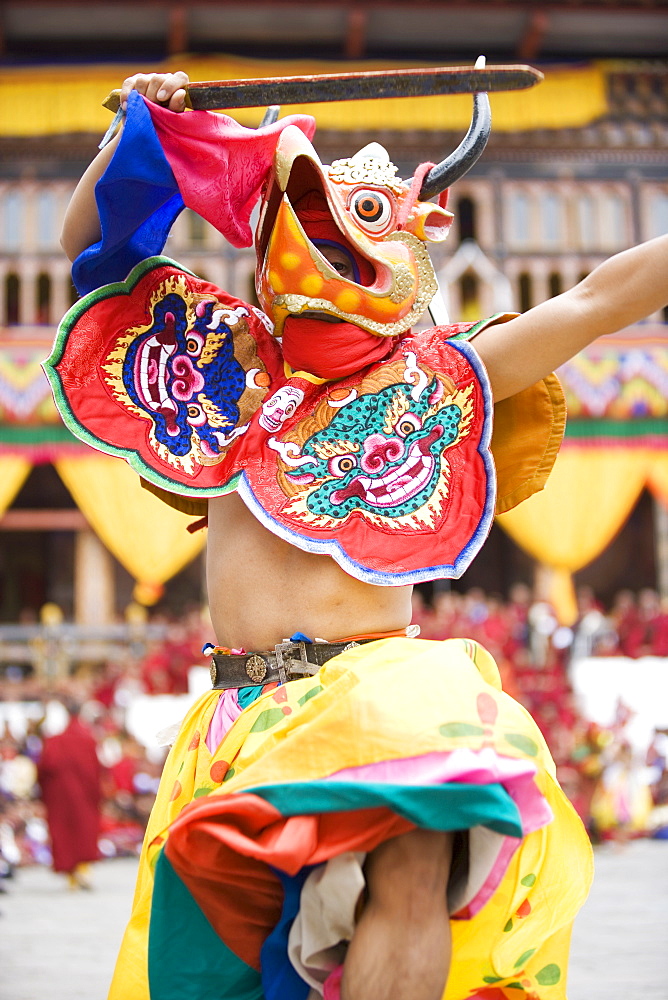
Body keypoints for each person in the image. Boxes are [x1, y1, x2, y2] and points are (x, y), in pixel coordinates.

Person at [50, 68, 668, 1000]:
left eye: (361, 223)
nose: (328, 241)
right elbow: (90, 247)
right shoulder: (217, 360)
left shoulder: (440, 377)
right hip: (237, 716)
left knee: (416, 859)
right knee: (233, 977)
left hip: (379, 692)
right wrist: (139, 131)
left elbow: (594, 298)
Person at [37, 702, 101, 890]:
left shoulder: (54, 741)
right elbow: (96, 770)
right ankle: (83, 871)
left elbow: (45, 768)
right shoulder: (88, 739)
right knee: (84, 830)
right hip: (83, 795)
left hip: (59, 797)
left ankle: (72, 875)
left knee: (64, 831)